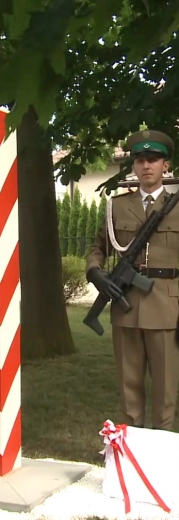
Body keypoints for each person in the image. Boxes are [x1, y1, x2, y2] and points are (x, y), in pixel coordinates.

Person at [86, 129, 179, 430]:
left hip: (167, 308)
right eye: (140, 160)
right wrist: (95, 272)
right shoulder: (117, 205)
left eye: (153, 160)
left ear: (166, 165)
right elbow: (97, 248)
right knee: (129, 390)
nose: (146, 166)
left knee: (165, 392)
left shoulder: (176, 207)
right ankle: (133, 455)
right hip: (126, 309)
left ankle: (160, 457)